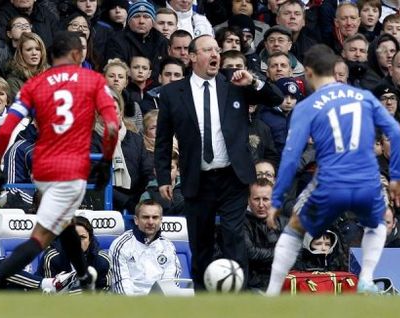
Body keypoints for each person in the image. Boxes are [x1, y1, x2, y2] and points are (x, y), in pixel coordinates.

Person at [0, 31, 119, 291]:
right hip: (71, 167)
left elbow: (7, 128)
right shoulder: (93, 81)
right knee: (42, 236)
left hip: (41, 168)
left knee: (63, 224)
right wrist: (106, 161)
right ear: (78, 54)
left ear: (51, 56)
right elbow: (110, 126)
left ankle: (84, 277)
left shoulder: (35, 84)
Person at [264, 44, 400, 295]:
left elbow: (290, 157)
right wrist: (396, 177)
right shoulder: (364, 97)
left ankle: (272, 293)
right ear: (334, 70)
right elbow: (396, 133)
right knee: (376, 224)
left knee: (295, 229)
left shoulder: (306, 107)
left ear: (308, 72)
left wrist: (276, 199)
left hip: (329, 182)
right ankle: (365, 278)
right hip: (368, 181)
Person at [154, 34, 283, 290]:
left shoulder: (235, 83)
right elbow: (163, 140)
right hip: (197, 178)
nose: (215, 54)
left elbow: (276, 98)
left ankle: (238, 298)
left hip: (232, 176)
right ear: (192, 57)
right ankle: (203, 300)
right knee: (200, 242)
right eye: (207, 50)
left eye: (217, 50)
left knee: (233, 237)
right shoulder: (171, 93)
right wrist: (162, 178)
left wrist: (254, 82)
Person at [109, 199, 181, 295]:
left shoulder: (168, 246)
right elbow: (121, 285)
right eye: (145, 217)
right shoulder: (121, 245)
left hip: (160, 305)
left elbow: (170, 283)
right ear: (136, 220)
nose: (150, 222)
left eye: (155, 217)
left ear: (161, 220)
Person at [38, 216, 112, 291]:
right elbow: (49, 293)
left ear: (90, 240)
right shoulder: (53, 257)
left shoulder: (102, 260)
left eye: (82, 237)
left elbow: (104, 294)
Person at [245, 178, 287, 291]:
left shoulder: (285, 223)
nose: (261, 204)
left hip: (285, 282)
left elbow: (297, 254)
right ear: (248, 200)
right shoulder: (242, 224)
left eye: (266, 199)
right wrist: (281, 254)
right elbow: (251, 253)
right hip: (253, 284)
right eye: (256, 199)